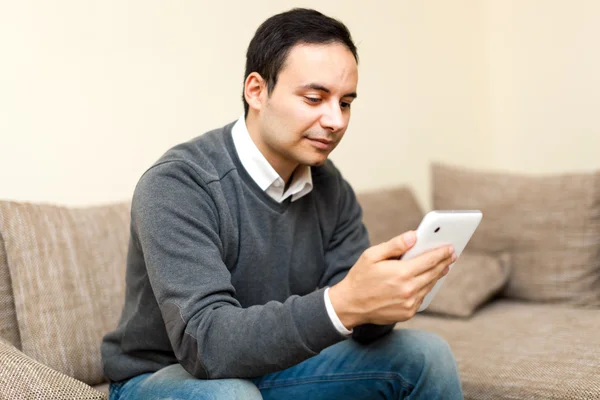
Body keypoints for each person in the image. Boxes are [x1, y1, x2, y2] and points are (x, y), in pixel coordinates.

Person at [101, 8, 463, 400]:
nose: (335, 121)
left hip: (276, 367)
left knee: (426, 354)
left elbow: (358, 321)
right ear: (256, 90)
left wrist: (386, 298)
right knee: (231, 395)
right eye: (314, 98)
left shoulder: (329, 185)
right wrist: (343, 303)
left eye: (345, 103)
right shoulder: (179, 184)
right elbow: (208, 347)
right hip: (168, 375)